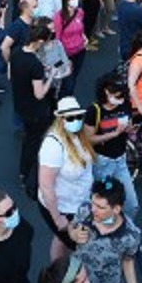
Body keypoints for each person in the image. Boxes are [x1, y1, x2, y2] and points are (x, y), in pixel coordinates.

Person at [71, 176, 142, 283]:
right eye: (93, 203)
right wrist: (72, 233)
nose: (93, 210)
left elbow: (128, 262)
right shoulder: (85, 210)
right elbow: (72, 225)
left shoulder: (130, 236)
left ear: (116, 209)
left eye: (100, 207)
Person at [37, 96, 96, 260]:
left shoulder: (78, 135)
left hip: (79, 203)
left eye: (78, 117)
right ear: (60, 119)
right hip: (63, 208)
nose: (76, 121)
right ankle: (61, 276)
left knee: (61, 239)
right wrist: (58, 219)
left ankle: (56, 271)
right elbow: (46, 185)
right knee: (78, 243)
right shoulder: (53, 145)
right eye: (70, 118)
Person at [84, 72, 138, 218]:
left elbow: (129, 121)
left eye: (123, 96)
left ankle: (125, 232)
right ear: (107, 91)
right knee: (103, 206)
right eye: (118, 96)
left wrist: (129, 129)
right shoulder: (94, 111)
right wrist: (113, 134)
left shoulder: (125, 104)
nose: (121, 100)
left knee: (131, 205)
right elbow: (88, 139)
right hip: (102, 163)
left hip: (120, 160)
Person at [11, 23, 58, 183]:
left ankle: (23, 172)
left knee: (28, 139)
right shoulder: (35, 64)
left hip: (20, 103)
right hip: (35, 110)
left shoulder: (16, 52)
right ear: (40, 41)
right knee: (33, 142)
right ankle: (27, 173)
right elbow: (39, 94)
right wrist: (50, 75)